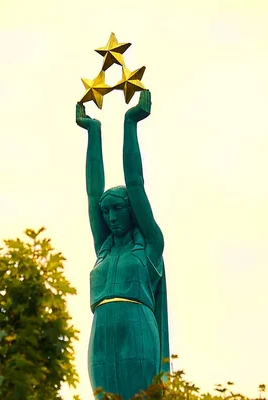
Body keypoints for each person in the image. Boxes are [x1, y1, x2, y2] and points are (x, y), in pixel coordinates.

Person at [75, 90, 169, 399]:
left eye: (118, 209)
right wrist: (93, 131)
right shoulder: (103, 247)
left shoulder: (150, 245)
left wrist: (130, 124)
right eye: (106, 212)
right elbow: (92, 193)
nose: (111, 217)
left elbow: (135, 183)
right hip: (101, 328)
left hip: (137, 326)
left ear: (132, 210)